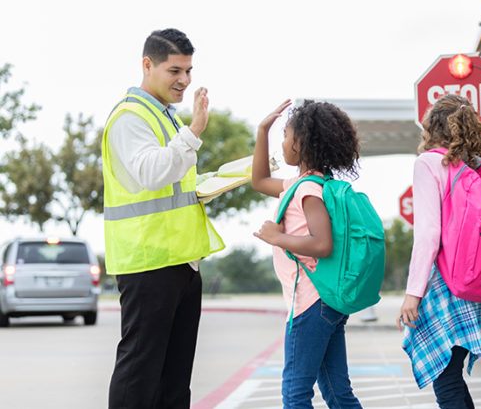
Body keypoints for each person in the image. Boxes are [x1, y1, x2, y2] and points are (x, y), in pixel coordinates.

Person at [103, 28, 224, 408]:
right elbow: (152, 173)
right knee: (141, 370)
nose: (184, 81)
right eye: (174, 71)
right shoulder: (130, 117)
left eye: (188, 71)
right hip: (149, 261)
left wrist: (217, 181)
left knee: (175, 377)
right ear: (147, 65)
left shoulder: (165, 117)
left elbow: (173, 182)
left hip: (180, 260)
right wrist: (194, 132)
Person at [397, 94, 481, 408]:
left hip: (446, 282)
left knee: (446, 379)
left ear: (431, 128)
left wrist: (413, 292)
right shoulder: (478, 165)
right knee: (452, 376)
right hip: (479, 277)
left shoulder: (428, 163)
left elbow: (428, 233)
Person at [251, 99, 362, 408]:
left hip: (310, 302)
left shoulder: (308, 191)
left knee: (295, 394)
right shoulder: (305, 184)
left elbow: (322, 244)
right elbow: (259, 181)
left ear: (300, 144)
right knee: (337, 392)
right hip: (323, 302)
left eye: (285, 135)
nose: (282, 142)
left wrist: (278, 237)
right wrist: (262, 131)